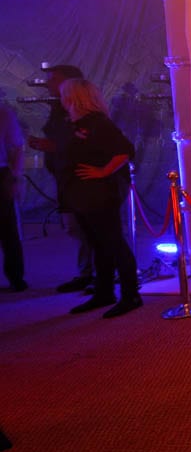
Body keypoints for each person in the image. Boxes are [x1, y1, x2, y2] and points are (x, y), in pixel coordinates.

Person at [58, 79, 141, 318]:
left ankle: (131, 295)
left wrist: (104, 171)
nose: (61, 99)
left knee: (113, 241)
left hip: (99, 193)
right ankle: (104, 291)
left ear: (74, 97)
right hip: (81, 193)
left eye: (64, 94)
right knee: (97, 243)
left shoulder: (98, 123)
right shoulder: (76, 124)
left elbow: (125, 150)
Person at [27, 64, 96, 292]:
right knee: (74, 226)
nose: (48, 84)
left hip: (82, 179)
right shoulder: (59, 109)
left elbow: (90, 145)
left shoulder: (85, 115)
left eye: (54, 79)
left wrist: (55, 146)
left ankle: (99, 274)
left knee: (88, 226)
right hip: (65, 177)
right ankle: (87, 272)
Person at [0, 99, 27, 292]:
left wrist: (15, 176)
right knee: (8, 229)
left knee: (7, 229)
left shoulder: (3, 113)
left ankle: (16, 276)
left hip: (0, 173)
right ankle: (16, 277)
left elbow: (17, 147)